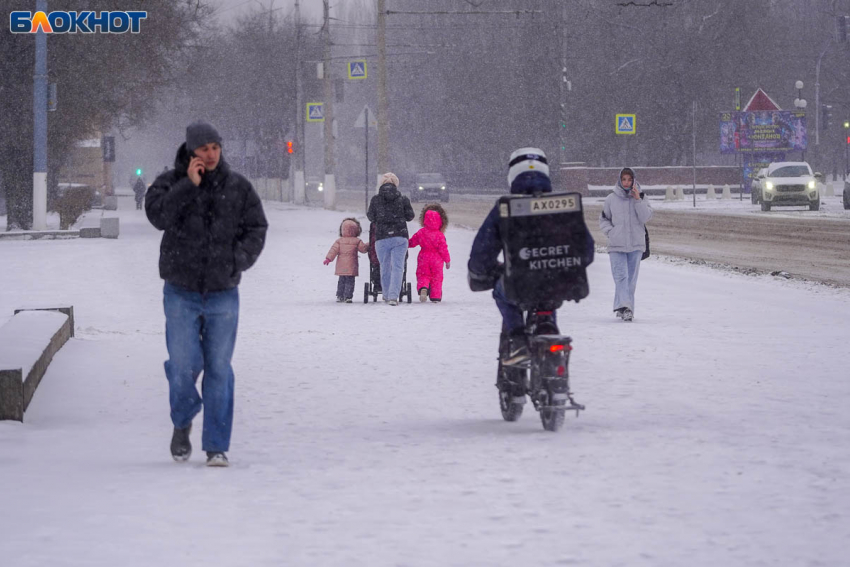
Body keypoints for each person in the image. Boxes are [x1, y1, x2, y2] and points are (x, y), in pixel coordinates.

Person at [145, 121, 268, 467]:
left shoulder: (238, 187)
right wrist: (188, 185)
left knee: (219, 369)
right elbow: (158, 216)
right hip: (180, 290)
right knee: (182, 366)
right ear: (191, 151)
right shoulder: (169, 182)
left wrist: (236, 261)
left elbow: (256, 227)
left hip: (222, 292)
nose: (211, 154)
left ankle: (216, 445)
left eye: (215, 147)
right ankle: (182, 420)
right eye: (204, 148)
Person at [468, 147, 594, 363]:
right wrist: (565, 264)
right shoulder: (564, 206)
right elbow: (586, 249)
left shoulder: (506, 208)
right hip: (559, 283)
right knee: (549, 289)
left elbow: (484, 249)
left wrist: (480, 272)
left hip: (520, 284)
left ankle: (517, 340)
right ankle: (549, 327)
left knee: (501, 292)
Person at [599, 167, 652, 322]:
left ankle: (624, 308)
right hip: (616, 244)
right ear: (619, 180)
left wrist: (637, 200)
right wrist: (611, 232)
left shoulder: (642, 197)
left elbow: (646, 217)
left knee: (631, 280)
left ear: (634, 180)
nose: (627, 182)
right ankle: (625, 308)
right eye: (624, 179)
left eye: (629, 179)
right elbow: (604, 219)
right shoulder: (611, 199)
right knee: (621, 276)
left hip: (636, 244)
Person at [366, 172, 414, 306]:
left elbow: (370, 217)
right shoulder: (403, 199)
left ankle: (386, 295)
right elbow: (410, 216)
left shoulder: (375, 200)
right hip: (399, 236)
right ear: (396, 184)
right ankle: (393, 296)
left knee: (384, 266)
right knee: (398, 267)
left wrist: (382, 218)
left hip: (381, 237)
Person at [408, 203, 451, 302]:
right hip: (437, 259)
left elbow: (412, 242)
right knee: (437, 278)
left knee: (423, 275)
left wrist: (405, 244)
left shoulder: (421, 232)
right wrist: (447, 261)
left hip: (424, 257)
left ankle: (423, 288)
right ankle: (435, 296)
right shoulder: (440, 235)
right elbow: (444, 249)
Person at [324, 217, 369, 303]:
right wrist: (368, 245)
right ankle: (348, 296)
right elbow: (363, 249)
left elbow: (333, 250)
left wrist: (328, 259)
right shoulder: (357, 241)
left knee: (341, 280)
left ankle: (340, 295)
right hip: (351, 265)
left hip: (341, 266)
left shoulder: (339, 241)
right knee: (350, 281)